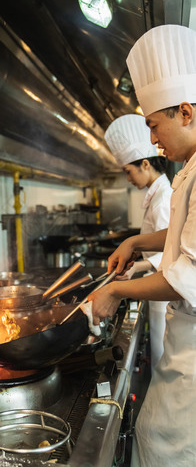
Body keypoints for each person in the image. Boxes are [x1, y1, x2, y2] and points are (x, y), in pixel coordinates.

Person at [89, 24, 196, 467]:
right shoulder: (191, 169)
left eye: (155, 125)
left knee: (164, 445)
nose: (153, 140)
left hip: (193, 357)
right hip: (185, 340)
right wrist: (136, 241)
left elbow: (186, 275)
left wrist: (115, 289)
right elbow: (180, 235)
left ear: (186, 113)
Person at [104, 114, 172, 370]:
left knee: (163, 363)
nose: (128, 178)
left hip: (166, 294)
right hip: (158, 292)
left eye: (128, 171)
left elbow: (171, 251)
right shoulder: (157, 195)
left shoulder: (164, 198)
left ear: (145, 164)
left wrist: (137, 267)